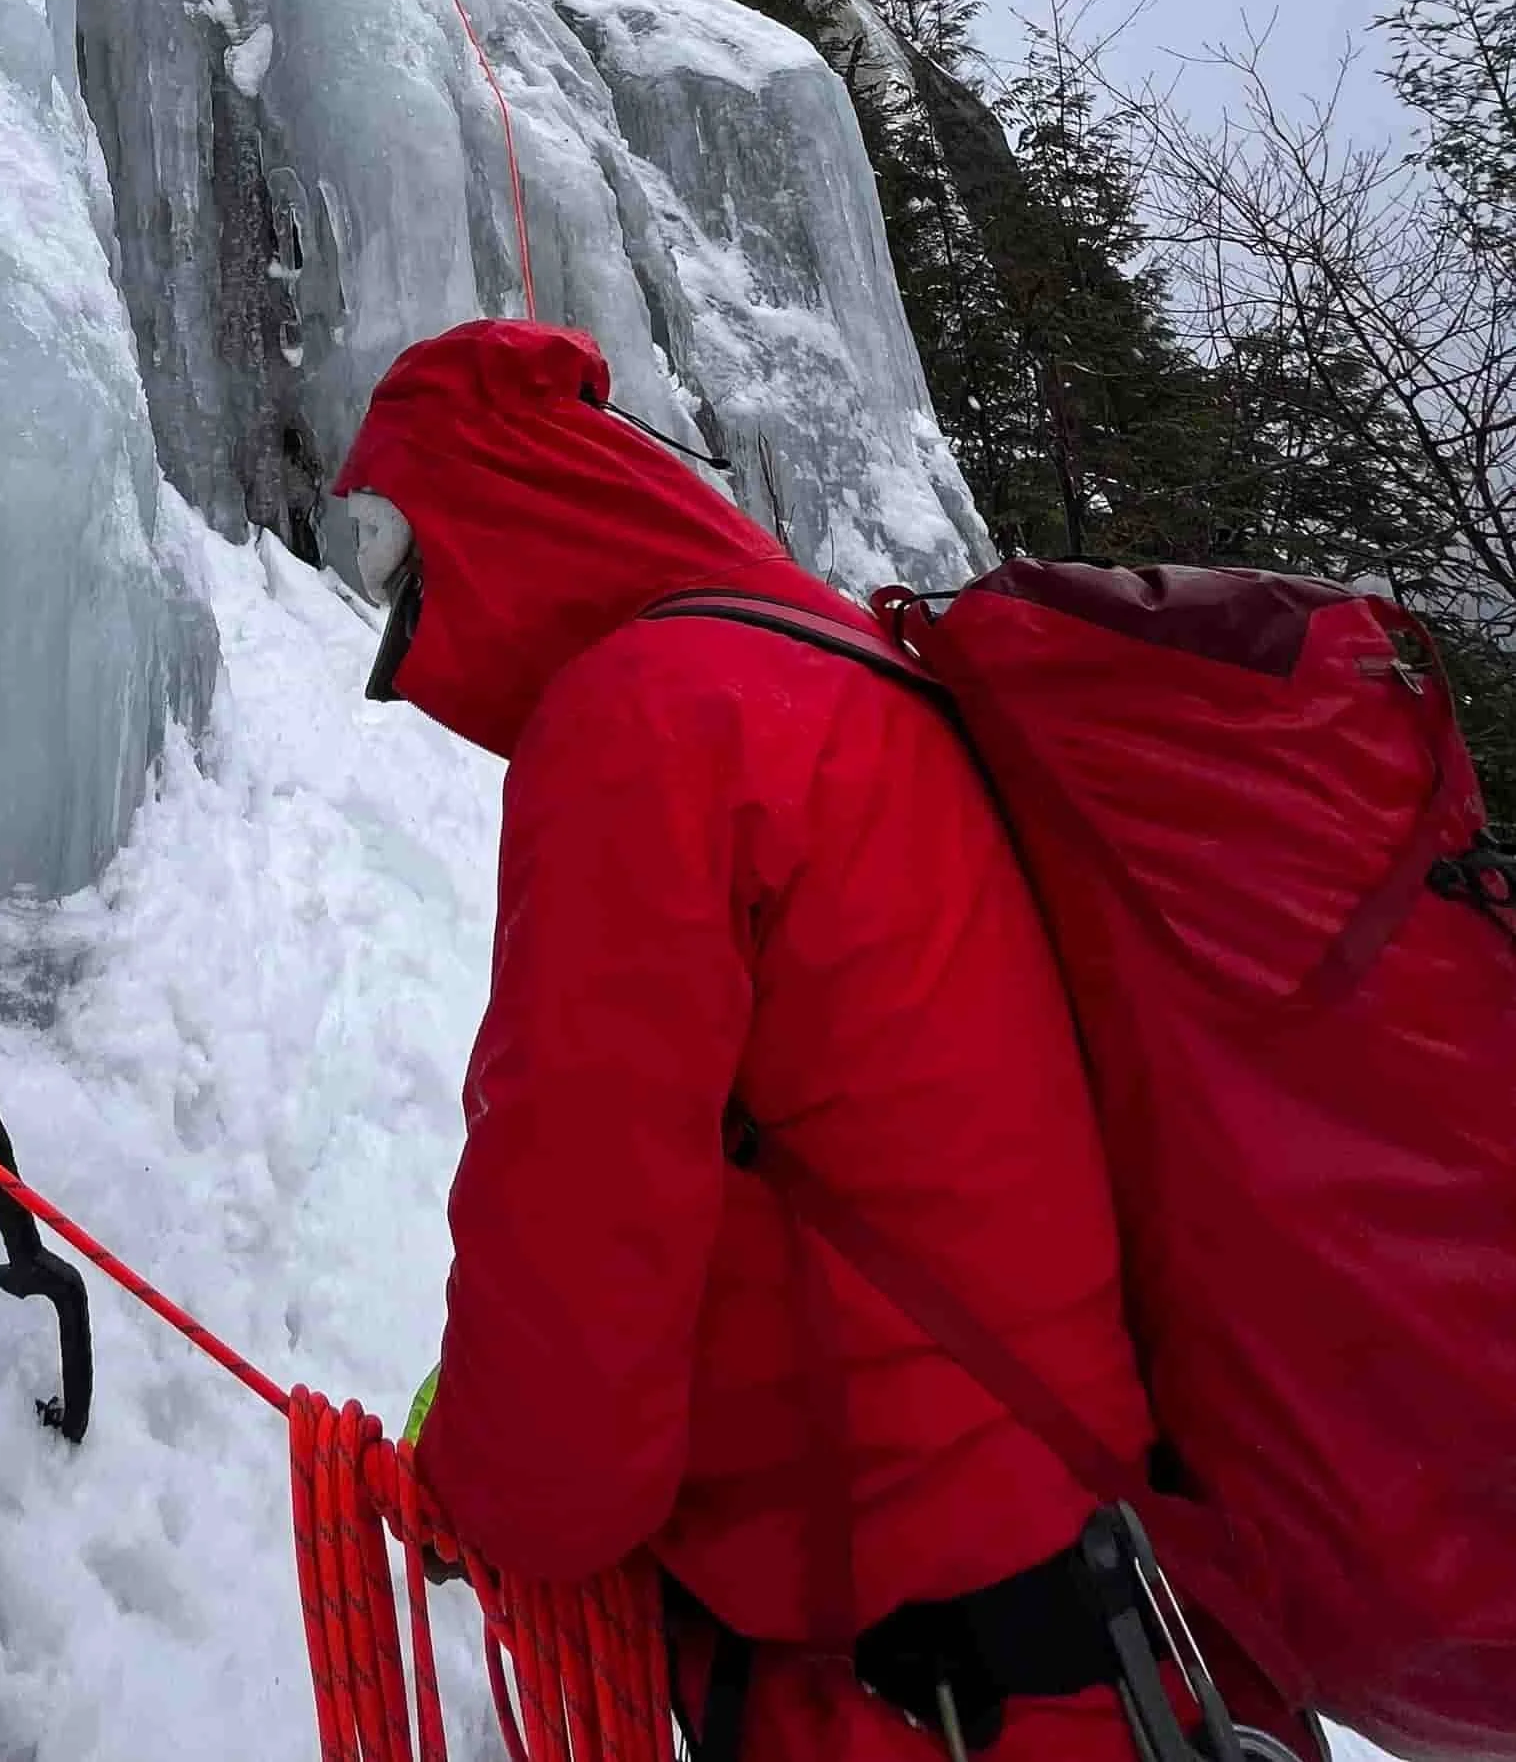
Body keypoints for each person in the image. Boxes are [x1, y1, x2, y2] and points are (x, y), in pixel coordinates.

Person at [335, 318, 1256, 1762]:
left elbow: (578, 1234)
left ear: (498, 513)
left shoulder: (642, 720)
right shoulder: (841, 669)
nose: (402, 650)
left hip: (914, 1682)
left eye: (410, 572)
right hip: (1114, 1620)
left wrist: (478, 1476)